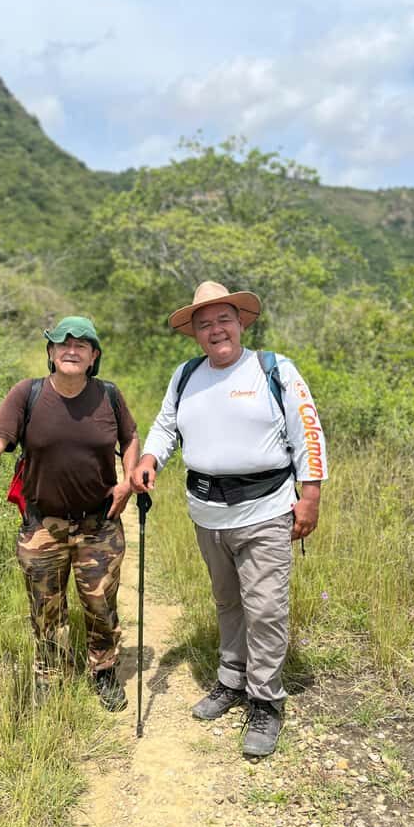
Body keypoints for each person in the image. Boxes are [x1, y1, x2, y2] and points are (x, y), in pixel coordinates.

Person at [131, 282, 328, 756]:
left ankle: (266, 701)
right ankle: (230, 680)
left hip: (266, 510)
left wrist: (312, 493)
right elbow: (165, 425)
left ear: (241, 323)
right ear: (195, 334)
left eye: (224, 319)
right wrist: (151, 459)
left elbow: (308, 430)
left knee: (265, 607)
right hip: (207, 512)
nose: (215, 329)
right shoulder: (186, 375)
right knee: (227, 600)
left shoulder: (274, 370)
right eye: (204, 324)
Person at [0, 316, 139, 711]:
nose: (71, 350)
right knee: (46, 607)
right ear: (51, 353)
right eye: (62, 343)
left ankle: (104, 670)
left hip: (99, 524)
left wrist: (128, 480)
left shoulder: (109, 396)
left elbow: (130, 437)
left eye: (81, 345)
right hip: (43, 524)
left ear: (93, 356)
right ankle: (50, 675)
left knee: (100, 604)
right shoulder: (28, 394)